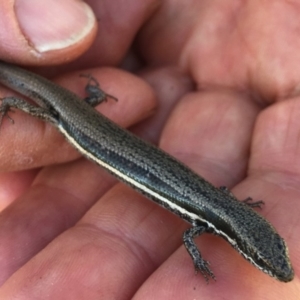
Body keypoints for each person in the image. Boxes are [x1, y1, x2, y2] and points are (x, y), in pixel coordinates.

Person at [0, 1, 297, 299]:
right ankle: (10, 102)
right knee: (52, 120)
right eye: (262, 260)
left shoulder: (218, 212)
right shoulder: (208, 221)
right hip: (81, 129)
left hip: (102, 134)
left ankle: (85, 98)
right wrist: (198, 261)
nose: (275, 268)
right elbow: (188, 236)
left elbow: (220, 194)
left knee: (59, 119)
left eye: (268, 259)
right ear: (243, 244)